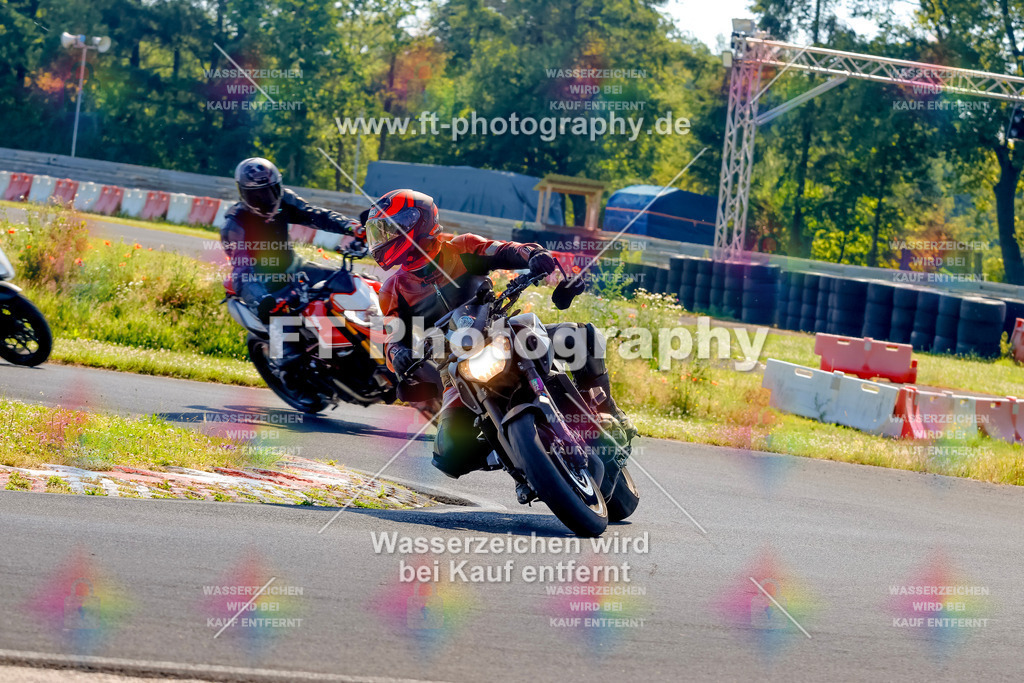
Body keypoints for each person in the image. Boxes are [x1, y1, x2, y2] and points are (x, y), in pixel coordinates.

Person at [366, 189, 635, 496]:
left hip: (500, 332)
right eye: (381, 231)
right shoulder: (393, 288)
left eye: (392, 228)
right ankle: (519, 468)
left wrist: (533, 255)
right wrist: (398, 352)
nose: (385, 237)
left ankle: (610, 414)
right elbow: (391, 334)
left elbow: (505, 249)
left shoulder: (459, 246)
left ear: (420, 221)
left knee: (582, 338)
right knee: (449, 451)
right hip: (453, 365)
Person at [220, 157, 364, 382]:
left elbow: (316, 215)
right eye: (255, 195)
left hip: (296, 269)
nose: (263, 200)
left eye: (267, 192)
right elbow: (242, 273)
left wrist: (351, 227)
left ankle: (365, 343)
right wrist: (262, 300)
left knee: (349, 281)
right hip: (267, 289)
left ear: (277, 187)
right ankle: (294, 376)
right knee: (290, 357)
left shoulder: (285, 201)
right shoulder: (234, 225)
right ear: (242, 193)